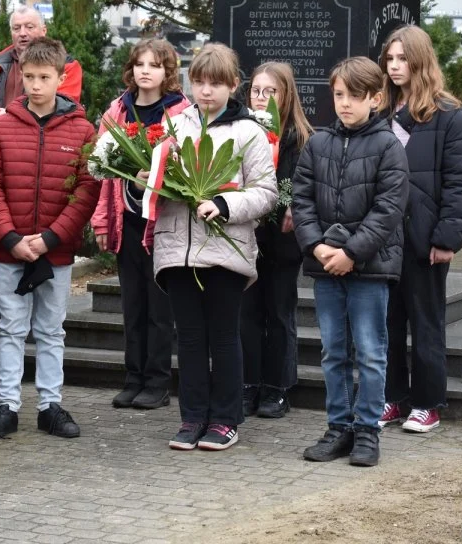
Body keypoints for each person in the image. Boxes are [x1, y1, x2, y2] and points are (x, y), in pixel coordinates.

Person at [0, 37, 99, 441]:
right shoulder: (2, 125)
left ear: (62, 78)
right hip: (10, 249)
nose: (35, 85)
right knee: (11, 327)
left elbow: (85, 190)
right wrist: (10, 237)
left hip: (55, 251)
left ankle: (50, 405)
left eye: (44, 77)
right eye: (28, 77)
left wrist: (49, 239)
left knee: (50, 328)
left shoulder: (82, 130)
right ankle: (6, 405)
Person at [155, 43, 277, 451]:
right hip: (178, 250)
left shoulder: (248, 131)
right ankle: (192, 417)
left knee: (223, 337)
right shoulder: (174, 123)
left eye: (216, 84)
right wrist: (148, 178)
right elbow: (158, 177)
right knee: (188, 338)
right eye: (199, 82)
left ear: (233, 85)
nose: (206, 91)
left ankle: (225, 418)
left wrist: (224, 204)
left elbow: (266, 193)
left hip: (225, 251)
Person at [292, 56, 408, 467]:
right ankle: (338, 427)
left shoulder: (388, 146)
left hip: (370, 268)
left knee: (371, 352)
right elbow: (301, 198)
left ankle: (367, 431)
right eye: (339, 95)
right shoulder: (318, 142)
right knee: (333, 350)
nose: (345, 104)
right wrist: (317, 247)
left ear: (375, 98)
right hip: (325, 264)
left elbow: (388, 209)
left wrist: (351, 252)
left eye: (354, 96)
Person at [376, 26, 462, 433]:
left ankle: (428, 402)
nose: (395, 66)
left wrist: (447, 238)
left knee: (426, 321)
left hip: (424, 238)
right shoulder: (380, 110)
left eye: (403, 59)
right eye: (391, 59)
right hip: (383, 238)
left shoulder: (449, 115)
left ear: (420, 61)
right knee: (387, 323)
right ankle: (393, 397)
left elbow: (459, 182)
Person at [0, 5, 84, 328]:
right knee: (4, 229)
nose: (22, 33)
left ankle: (36, 311)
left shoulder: (66, 64)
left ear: (43, 31)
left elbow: (65, 101)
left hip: (50, 162)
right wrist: (4, 117)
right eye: (16, 27)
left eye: (29, 26)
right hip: (6, 155)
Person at [91, 39, 191, 411]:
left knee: (159, 307)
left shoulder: (180, 112)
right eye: (139, 64)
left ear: (168, 72)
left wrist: (156, 178)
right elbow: (102, 174)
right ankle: (133, 377)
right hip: (127, 221)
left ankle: (157, 381)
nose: (145, 70)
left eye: (154, 65)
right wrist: (102, 221)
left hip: (162, 224)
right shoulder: (118, 111)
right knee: (132, 305)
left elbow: (185, 165)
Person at [240, 62, 313, 419]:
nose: (262, 97)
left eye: (271, 91)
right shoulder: (241, 130)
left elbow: (307, 183)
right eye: (256, 90)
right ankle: (249, 383)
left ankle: (278, 387)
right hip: (247, 235)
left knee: (279, 313)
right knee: (247, 312)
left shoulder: (300, 137)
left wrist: (293, 205)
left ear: (286, 96)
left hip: (282, 240)